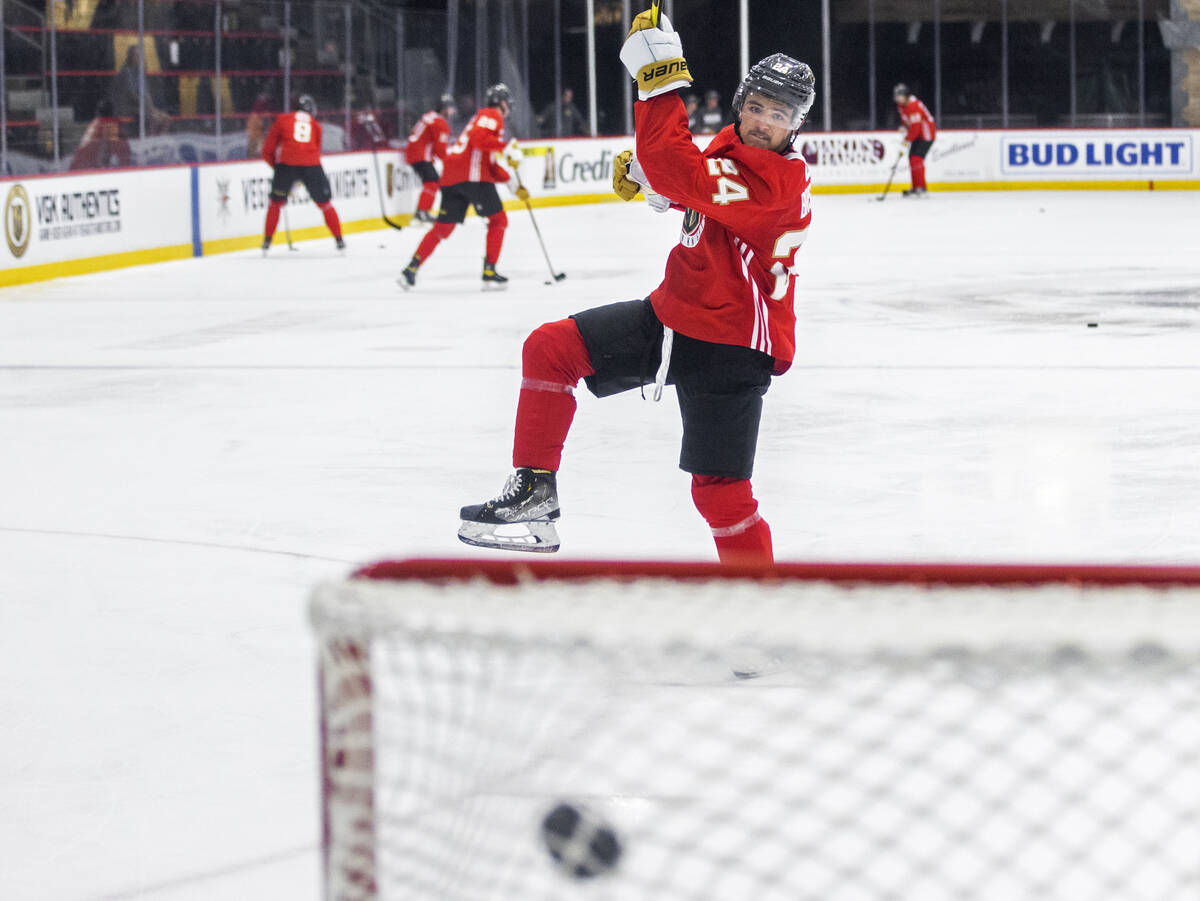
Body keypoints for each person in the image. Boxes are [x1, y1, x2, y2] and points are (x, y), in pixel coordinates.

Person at [456, 10, 815, 565]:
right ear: (742, 103)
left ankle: (759, 603)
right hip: (678, 314)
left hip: (732, 345)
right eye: (758, 106)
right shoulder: (737, 149)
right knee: (550, 349)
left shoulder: (779, 182)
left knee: (719, 495)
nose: (765, 120)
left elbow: (684, 173)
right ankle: (535, 495)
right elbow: (698, 191)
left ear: (797, 126)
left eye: (781, 113)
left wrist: (661, 80)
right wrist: (666, 192)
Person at [398, 83, 528, 290]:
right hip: (472, 178)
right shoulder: (491, 115)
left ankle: (410, 269)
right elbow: (479, 140)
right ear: (502, 103)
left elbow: (488, 161)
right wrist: (504, 147)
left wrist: (512, 184)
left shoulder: (482, 119)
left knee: (443, 228)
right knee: (499, 220)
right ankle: (489, 271)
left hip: (452, 177)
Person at [260, 94, 345, 253]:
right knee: (325, 204)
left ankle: (267, 241)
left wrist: (278, 168)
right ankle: (339, 240)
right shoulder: (316, 125)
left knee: (275, 203)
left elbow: (267, 150)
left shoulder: (282, 119)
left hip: (286, 165)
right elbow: (316, 151)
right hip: (311, 165)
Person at [405, 93, 456, 224]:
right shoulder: (440, 123)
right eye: (449, 109)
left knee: (432, 180)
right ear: (444, 109)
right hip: (420, 155)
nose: (451, 112)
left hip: (414, 153)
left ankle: (422, 212)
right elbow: (440, 150)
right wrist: (451, 162)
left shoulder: (428, 116)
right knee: (432, 181)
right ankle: (421, 212)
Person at [893, 83, 936, 197]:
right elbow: (906, 120)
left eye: (899, 95)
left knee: (916, 158)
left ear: (906, 95)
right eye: (896, 95)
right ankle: (916, 186)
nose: (897, 98)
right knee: (912, 158)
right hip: (917, 134)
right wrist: (903, 126)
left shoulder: (913, 105)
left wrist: (906, 140)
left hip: (926, 134)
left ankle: (921, 188)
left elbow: (916, 127)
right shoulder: (901, 106)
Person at [70, 99, 132, 170]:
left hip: (81, 168)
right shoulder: (107, 124)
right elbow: (120, 150)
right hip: (87, 169)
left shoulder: (95, 123)